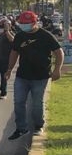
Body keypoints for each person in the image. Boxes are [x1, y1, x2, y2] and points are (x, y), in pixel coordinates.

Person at [5, 11, 63, 140]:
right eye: (22, 24)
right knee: (19, 102)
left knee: (37, 103)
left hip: (40, 76)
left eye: (27, 24)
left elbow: (59, 52)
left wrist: (57, 69)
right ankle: (21, 128)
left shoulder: (46, 36)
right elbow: (14, 53)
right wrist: (9, 69)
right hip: (22, 76)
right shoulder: (20, 36)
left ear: (34, 22)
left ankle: (38, 126)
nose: (24, 26)